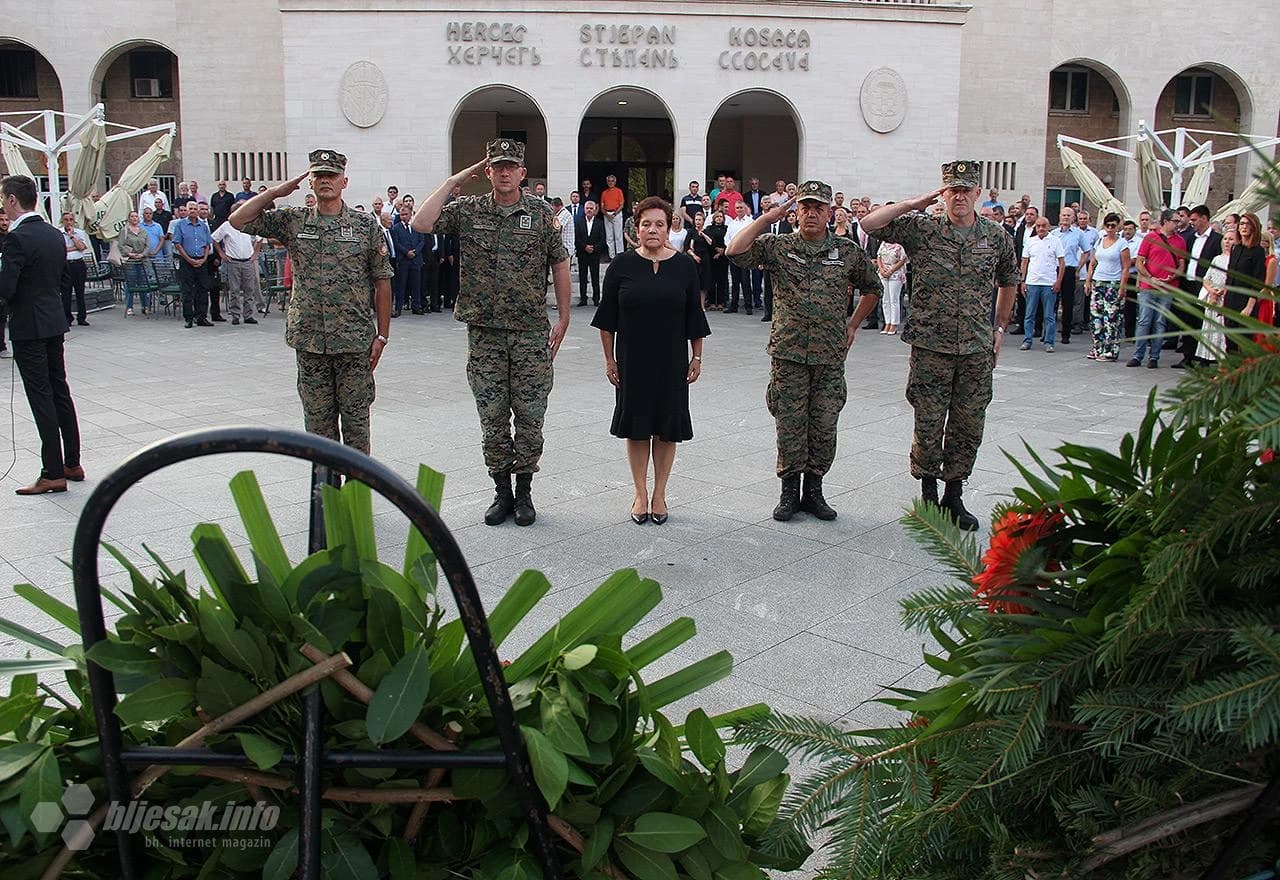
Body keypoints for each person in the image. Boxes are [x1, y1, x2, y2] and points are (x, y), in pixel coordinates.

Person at [412, 139, 571, 526]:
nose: (503, 172)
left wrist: (564, 317)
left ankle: (525, 492)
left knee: (531, 416)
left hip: (530, 333)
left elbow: (560, 264)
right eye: (496, 166)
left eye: (510, 166)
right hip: (484, 335)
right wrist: (454, 179)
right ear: (488, 172)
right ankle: (501, 490)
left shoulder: (540, 214)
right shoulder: (468, 211)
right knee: (493, 417)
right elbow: (421, 222)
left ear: (521, 172)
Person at [860, 160, 1019, 530]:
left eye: (966, 189)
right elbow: (870, 224)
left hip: (977, 348)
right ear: (943, 193)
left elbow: (1009, 280)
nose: (959, 196)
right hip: (931, 346)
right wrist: (915, 203)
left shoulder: (996, 236)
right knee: (929, 422)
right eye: (952, 189)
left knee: (968, 424)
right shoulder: (923, 228)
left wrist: (999, 327)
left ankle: (954, 495)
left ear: (978, 193)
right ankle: (929, 494)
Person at [727, 180, 883, 522]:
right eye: (805, 208)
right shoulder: (779, 246)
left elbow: (873, 288)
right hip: (789, 353)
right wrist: (767, 218)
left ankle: (814, 490)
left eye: (818, 208)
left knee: (825, 423)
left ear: (830, 213)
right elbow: (735, 252)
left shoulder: (847, 251)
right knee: (789, 423)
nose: (811, 214)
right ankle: (788, 492)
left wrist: (853, 324)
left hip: (829, 355)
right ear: (796, 212)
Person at [231, 149, 393, 453]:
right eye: (318, 175)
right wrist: (278, 191)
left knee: (357, 429)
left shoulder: (364, 226)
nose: (325, 181)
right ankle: (324, 496)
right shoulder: (294, 221)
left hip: (353, 342)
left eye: (331, 175)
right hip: (310, 342)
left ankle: (355, 497)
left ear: (344, 181)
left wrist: (382, 335)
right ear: (310, 181)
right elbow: (238, 219)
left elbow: (382, 281)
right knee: (318, 434)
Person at [592, 197, 709, 524]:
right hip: (632, 361)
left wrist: (697, 356)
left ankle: (660, 494)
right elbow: (606, 319)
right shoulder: (621, 266)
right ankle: (640, 494)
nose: (652, 229)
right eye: (646, 224)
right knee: (638, 427)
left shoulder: (685, 266)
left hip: (673, 362)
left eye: (659, 223)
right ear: (637, 227)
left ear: (670, 225)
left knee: (668, 429)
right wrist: (609, 360)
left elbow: (694, 316)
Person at [0, 175, 83, 495]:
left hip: (29, 326)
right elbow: (61, 280)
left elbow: (7, 287)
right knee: (59, 390)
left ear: (11, 200)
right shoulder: (52, 234)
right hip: (52, 321)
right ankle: (72, 462)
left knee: (41, 395)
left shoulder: (17, 238)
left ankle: (51, 471)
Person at [1128, 209, 1186, 369]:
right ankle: (1137, 355)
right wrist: (1150, 277)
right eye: (1175, 221)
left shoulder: (1180, 241)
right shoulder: (1150, 238)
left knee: (1160, 322)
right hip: (1149, 286)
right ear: (1166, 221)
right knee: (1144, 320)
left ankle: (1154, 357)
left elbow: (1182, 264)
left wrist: (1173, 276)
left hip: (1168, 287)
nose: (1177, 223)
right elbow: (1140, 262)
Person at [1083, 212, 1130, 362]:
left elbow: (1126, 267)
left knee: (1111, 318)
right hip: (1098, 281)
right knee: (1096, 317)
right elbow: (1093, 262)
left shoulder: (1122, 244)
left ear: (1118, 227)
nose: (1110, 228)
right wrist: (1088, 280)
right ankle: (1098, 347)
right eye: (1108, 225)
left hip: (1113, 283)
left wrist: (1122, 287)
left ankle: (1110, 350)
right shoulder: (1100, 241)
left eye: (1113, 226)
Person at [1019, 216, 1066, 353]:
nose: (1041, 228)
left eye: (1043, 226)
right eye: (1038, 226)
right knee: (1029, 314)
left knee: (1049, 315)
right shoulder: (1030, 241)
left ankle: (1049, 341)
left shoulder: (1056, 241)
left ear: (1049, 226)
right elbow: (1024, 261)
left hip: (1048, 282)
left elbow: (1062, 263)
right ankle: (1027, 340)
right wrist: (1022, 281)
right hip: (1032, 282)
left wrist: (1058, 281)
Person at [211, 212, 264, 325]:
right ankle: (235, 315)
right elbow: (214, 239)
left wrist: (255, 254)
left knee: (249, 289)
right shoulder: (227, 225)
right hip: (233, 261)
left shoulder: (249, 224)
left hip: (248, 261)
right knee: (234, 290)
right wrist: (221, 253)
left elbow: (259, 239)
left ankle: (248, 315)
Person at [1193, 228, 1234, 365]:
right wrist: (1211, 291)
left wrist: (1223, 291)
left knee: (1221, 330)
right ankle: (1205, 358)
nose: (1227, 242)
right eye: (1226, 239)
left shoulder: (1235, 260)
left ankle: (1221, 358)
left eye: (1231, 239)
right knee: (1208, 328)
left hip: (1224, 298)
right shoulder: (1217, 258)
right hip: (1213, 298)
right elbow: (1206, 278)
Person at [391, 204, 425, 316]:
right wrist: (407, 252)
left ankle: (416, 306)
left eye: (406, 214)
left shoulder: (416, 226)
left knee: (416, 284)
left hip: (416, 260)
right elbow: (397, 243)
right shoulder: (396, 228)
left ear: (411, 214)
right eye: (402, 215)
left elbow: (422, 241)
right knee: (401, 285)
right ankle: (398, 308)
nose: (404, 217)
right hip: (403, 260)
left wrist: (415, 252)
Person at [59, 211, 91, 326]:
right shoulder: (58, 233)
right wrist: (74, 248)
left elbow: (82, 247)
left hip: (78, 264)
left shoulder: (79, 233)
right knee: (65, 293)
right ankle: (67, 318)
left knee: (80, 292)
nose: (68, 222)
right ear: (62, 221)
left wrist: (72, 237)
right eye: (66, 220)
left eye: (70, 220)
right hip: (65, 265)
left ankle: (82, 317)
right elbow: (60, 250)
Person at [117, 211, 151, 316]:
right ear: (129, 218)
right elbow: (121, 245)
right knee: (130, 284)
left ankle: (145, 306)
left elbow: (148, 245)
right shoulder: (125, 231)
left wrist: (143, 254)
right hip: (130, 261)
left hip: (142, 260)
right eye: (132, 216)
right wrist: (130, 254)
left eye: (136, 216)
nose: (134, 218)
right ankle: (129, 307)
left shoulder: (143, 231)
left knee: (143, 284)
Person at [575, 200, 606, 306]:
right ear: (584, 209)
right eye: (587, 208)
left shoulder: (599, 223)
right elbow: (577, 237)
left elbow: (602, 239)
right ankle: (583, 299)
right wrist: (585, 247)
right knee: (582, 277)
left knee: (595, 277)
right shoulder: (578, 222)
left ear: (595, 210)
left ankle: (596, 299)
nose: (589, 210)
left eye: (591, 208)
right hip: (582, 253)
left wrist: (594, 248)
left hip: (594, 254)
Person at [877, 236, 907, 335]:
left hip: (895, 273)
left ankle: (894, 324)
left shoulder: (900, 245)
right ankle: (887, 322)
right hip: (883, 272)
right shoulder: (883, 243)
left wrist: (891, 270)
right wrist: (881, 269)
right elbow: (879, 256)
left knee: (894, 299)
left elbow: (903, 259)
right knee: (885, 299)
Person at [690, 212, 714, 310]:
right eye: (696, 220)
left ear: (703, 221)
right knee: (695, 282)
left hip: (705, 258)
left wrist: (703, 235)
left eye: (700, 220)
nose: (698, 222)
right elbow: (688, 246)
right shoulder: (691, 232)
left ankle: (702, 305)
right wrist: (694, 256)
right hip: (695, 258)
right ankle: (694, 305)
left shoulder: (707, 231)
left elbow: (711, 243)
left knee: (704, 283)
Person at [600, 174, 626, 258]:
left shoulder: (619, 191)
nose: (610, 183)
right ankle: (612, 256)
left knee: (618, 235)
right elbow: (602, 206)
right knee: (609, 236)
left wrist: (614, 214)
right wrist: (606, 214)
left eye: (612, 181)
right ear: (607, 182)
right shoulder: (604, 193)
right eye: (609, 181)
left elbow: (621, 205)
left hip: (616, 213)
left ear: (615, 182)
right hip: (607, 214)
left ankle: (619, 255)